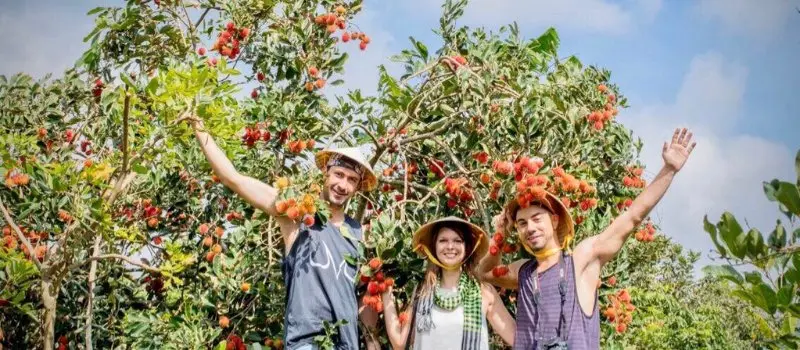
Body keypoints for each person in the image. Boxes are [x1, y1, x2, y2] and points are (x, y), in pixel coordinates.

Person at [478, 128, 697, 349]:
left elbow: (632, 217)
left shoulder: (580, 261)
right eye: (522, 223)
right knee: (482, 290)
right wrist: (500, 235)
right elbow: (483, 273)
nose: (530, 228)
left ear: (554, 221)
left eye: (537, 219)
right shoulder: (523, 272)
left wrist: (669, 170)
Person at [189, 117, 380, 350]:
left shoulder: (359, 233)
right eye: (339, 174)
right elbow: (234, 179)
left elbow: (362, 295)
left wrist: (372, 341)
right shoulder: (296, 214)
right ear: (326, 173)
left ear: (358, 187)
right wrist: (198, 127)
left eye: (352, 180)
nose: (343, 185)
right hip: (306, 343)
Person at [380, 216, 516, 349]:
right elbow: (399, 343)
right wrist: (385, 291)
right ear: (434, 247)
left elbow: (517, 339)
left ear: (467, 247)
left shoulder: (484, 292)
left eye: (458, 241)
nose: (450, 246)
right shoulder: (422, 291)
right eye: (443, 240)